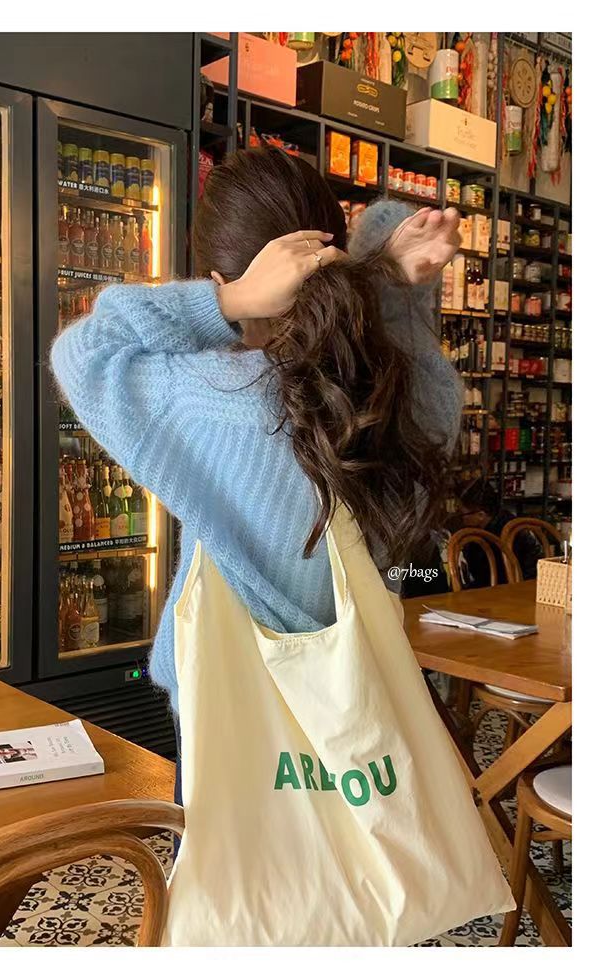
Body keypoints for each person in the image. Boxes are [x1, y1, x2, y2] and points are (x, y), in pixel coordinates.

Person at [51, 147, 463, 850]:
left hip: (227, 706)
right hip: (359, 708)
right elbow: (407, 354)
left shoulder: (203, 399)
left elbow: (84, 350)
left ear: (224, 273)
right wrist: (384, 279)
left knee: (238, 894)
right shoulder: (410, 400)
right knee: (354, 893)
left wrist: (227, 304)